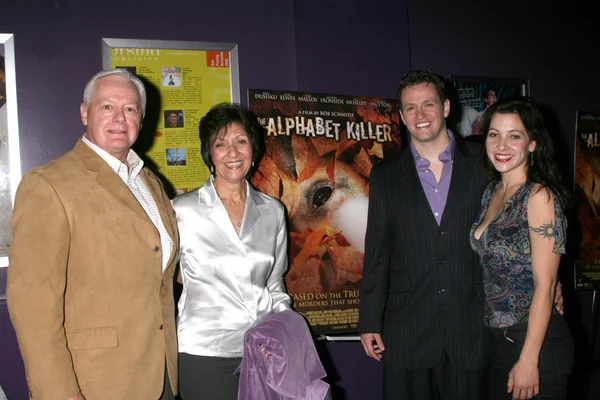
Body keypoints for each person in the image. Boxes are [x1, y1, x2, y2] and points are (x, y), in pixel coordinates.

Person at [358, 70, 564, 400]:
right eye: (410, 108)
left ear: (446, 107)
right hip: (408, 330)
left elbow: (520, 226)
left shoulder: (485, 163)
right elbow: (377, 252)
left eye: (428, 104)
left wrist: (552, 282)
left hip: (471, 329)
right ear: (401, 115)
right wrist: (369, 320)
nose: (420, 115)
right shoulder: (384, 176)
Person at [7, 69, 180, 400]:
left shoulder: (149, 182)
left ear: (141, 119)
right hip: (96, 382)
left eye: (129, 108)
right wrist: (59, 392)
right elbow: (32, 306)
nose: (119, 117)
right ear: (85, 112)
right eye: (106, 107)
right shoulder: (49, 184)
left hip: (160, 374)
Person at [173, 103, 292, 400]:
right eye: (221, 144)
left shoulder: (273, 212)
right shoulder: (181, 211)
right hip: (204, 354)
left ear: (253, 149)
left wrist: (287, 332)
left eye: (241, 141)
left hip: (263, 351)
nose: (233, 153)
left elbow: (275, 284)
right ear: (209, 153)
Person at [471, 97, 573, 400]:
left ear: (532, 143)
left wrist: (529, 361)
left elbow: (546, 284)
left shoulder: (539, 196)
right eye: (494, 134)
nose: (502, 145)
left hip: (535, 344)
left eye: (514, 135)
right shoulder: (493, 191)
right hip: (499, 340)